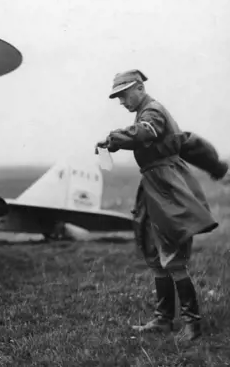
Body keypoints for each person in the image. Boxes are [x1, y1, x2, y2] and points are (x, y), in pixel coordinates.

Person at [96, 69, 228, 342]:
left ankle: (192, 324)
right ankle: (163, 319)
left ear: (139, 89)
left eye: (124, 94)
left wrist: (115, 138)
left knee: (172, 253)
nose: (121, 101)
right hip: (154, 186)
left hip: (167, 188)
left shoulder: (152, 111)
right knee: (154, 250)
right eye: (118, 96)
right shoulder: (144, 111)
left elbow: (145, 133)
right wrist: (117, 140)